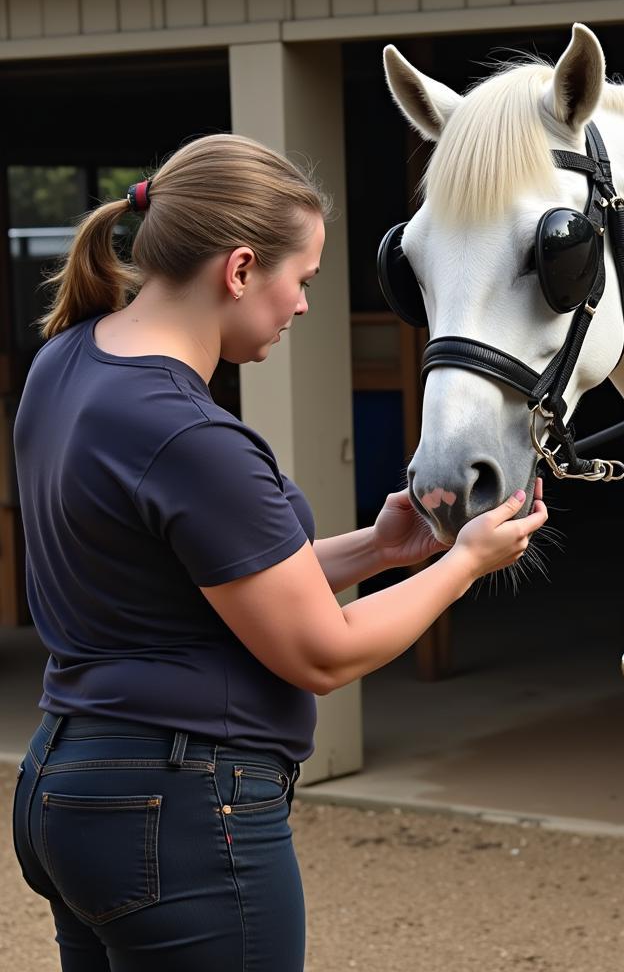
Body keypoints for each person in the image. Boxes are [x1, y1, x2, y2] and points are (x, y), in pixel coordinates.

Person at [9, 132, 547, 972]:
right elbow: (322, 653)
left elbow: (202, 583)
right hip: (178, 811)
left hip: (69, 787)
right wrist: (463, 563)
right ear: (240, 268)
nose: (301, 307)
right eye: (301, 281)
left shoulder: (66, 363)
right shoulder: (188, 434)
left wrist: (378, 548)